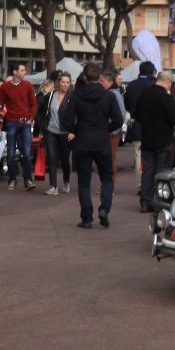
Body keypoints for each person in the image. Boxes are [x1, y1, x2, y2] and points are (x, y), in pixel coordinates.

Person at [59, 62, 124, 229]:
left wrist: (77, 130)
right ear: (100, 77)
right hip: (102, 140)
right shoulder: (108, 96)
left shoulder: (76, 96)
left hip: (83, 140)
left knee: (84, 181)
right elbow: (118, 120)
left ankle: (87, 217)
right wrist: (106, 129)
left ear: (85, 77)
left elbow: (66, 120)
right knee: (107, 177)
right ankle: (104, 209)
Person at [134, 72, 175, 213]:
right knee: (162, 170)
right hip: (164, 139)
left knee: (147, 170)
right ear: (168, 81)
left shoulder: (143, 95)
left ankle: (145, 201)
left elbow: (137, 116)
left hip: (147, 139)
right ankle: (160, 200)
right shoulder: (166, 97)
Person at [0, 62, 38, 190]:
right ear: (15, 72)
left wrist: (31, 118)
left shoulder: (27, 85)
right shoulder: (5, 87)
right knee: (10, 153)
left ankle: (28, 180)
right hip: (11, 122)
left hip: (25, 122)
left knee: (26, 153)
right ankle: (12, 179)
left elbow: (34, 103)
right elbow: (0, 104)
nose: (25, 72)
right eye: (22, 70)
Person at [36, 71, 74, 195]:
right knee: (51, 157)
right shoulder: (51, 95)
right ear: (58, 82)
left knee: (64, 159)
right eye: (63, 82)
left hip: (65, 132)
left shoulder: (72, 97)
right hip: (51, 131)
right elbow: (42, 112)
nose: (65, 84)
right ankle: (53, 186)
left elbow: (76, 116)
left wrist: (73, 131)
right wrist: (41, 129)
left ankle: (66, 181)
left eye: (67, 82)